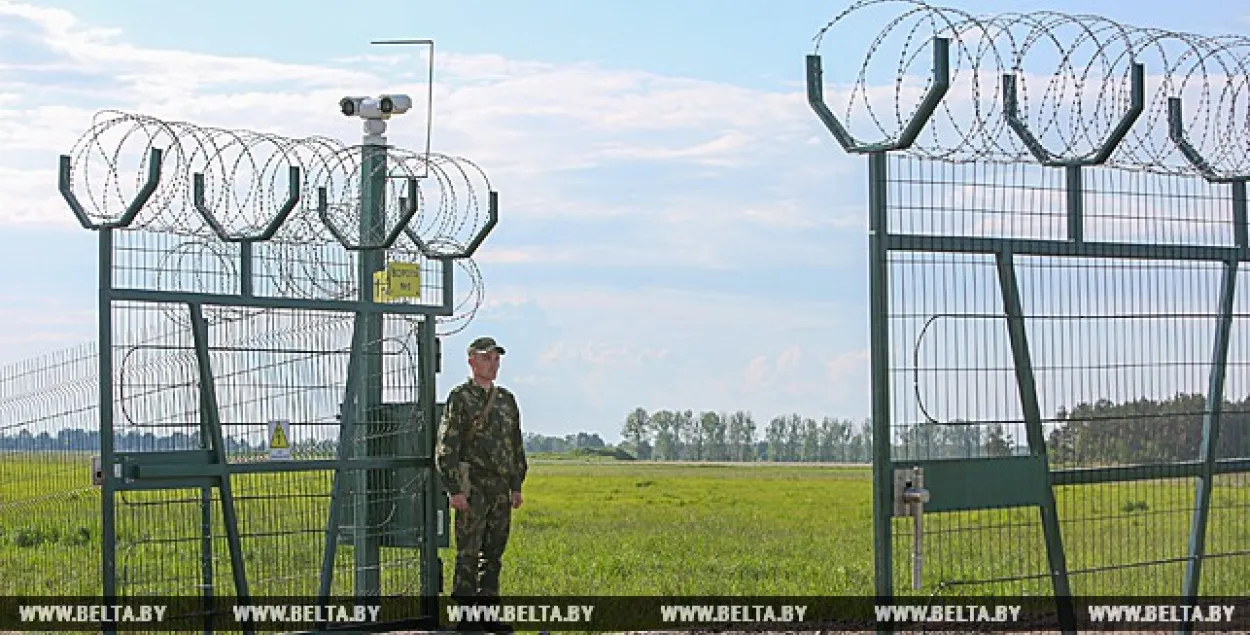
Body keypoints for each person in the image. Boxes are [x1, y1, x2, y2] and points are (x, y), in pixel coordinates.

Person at [435, 336, 527, 631]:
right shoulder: (460, 397)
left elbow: (515, 444)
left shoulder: (506, 400)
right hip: (473, 486)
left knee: (494, 553)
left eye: (496, 358)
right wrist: (455, 489)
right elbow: (446, 444)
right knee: (468, 553)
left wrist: (516, 484)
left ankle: (488, 614)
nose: (493, 363)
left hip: (500, 488)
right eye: (487, 358)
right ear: (472, 361)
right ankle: (466, 616)